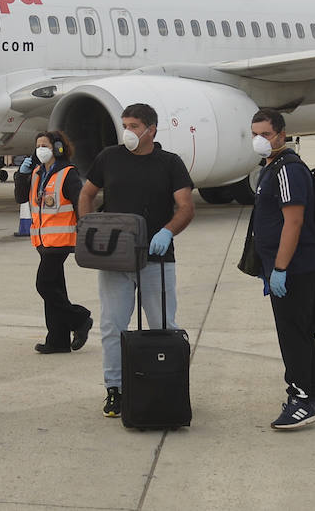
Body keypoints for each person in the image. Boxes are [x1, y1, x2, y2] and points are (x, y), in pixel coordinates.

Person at [77, 103, 195, 419]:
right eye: (125, 125)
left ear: (151, 129)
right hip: (115, 259)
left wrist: (167, 232)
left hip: (157, 258)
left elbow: (186, 207)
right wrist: (88, 228)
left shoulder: (169, 163)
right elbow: (87, 193)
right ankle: (115, 389)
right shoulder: (109, 158)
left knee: (163, 326)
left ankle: (167, 386)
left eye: (134, 126)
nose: (127, 131)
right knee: (112, 326)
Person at [250, 108, 315, 430]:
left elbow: (294, 221)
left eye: (265, 134)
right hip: (288, 267)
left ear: (281, 135)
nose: (259, 140)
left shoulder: (287, 169)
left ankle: (300, 401)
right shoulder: (271, 168)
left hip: (294, 268)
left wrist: (281, 267)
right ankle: (312, 396)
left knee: (293, 335)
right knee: (301, 331)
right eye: (254, 134)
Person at [26, 130, 93, 354]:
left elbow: (80, 202)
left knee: (44, 285)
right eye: (38, 146)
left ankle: (80, 319)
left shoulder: (67, 173)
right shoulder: (37, 173)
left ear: (57, 148)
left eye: (45, 145)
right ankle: (57, 340)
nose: (40, 150)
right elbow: (21, 197)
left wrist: (85, 230)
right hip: (43, 239)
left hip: (61, 239)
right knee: (55, 289)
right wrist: (21, 175)